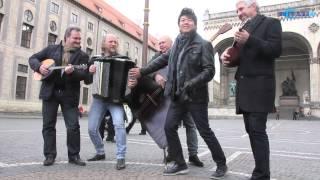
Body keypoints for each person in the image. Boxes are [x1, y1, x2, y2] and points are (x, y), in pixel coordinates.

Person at [129, 8, 227, 178]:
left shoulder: (203, 44)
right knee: (169, 127)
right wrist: (143, 71)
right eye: (183, 20)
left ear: (194, 23)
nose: (186, 22)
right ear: (179, 24)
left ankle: (221, 164)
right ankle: (180, 163)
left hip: (196, 96)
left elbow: (209, 71)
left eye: (189, 19)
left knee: (204, 131)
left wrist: (191, 83)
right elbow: (160, 61)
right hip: (177, 96)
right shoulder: (175, 47)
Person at [220, 0, 282, 179]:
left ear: (253, 6)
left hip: (260, 87)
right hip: (245, 88)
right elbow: (241, 58)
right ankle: (261, 172)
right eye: (236, 10)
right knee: (252, 131)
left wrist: (250, 39)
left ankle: (262, 175)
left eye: (241, 8)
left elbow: (276, 50)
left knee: (257, 130)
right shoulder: (242, 31)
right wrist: (227, 57)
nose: (238, 13)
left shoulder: (271, 23)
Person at [29, 26, 91, 166]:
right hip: (50, 92)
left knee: (73, 126)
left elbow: (85, 75)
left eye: (79, 39)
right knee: (48, 125)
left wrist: (72, 73)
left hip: (69, 94)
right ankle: (50, 155)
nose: (78, 41)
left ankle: (74, 156)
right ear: (66, 38)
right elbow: (32, 58)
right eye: (75, 38)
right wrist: (39, 67)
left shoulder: (83, 56)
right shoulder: (51, 49)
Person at [153, 35, 204, 167]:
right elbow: (149, 69)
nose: (161, 45)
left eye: (163, 43)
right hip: (167, 97)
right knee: (170, 126)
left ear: (171, 44)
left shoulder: (182, 52)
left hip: (184, 95)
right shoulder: (156, 56)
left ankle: (193, 154)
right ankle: (172, 153)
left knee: (190, 125)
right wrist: (156, 75)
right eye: (159, 44)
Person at [87, 34, 128, 170]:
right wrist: (90, 71)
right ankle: (100, 152)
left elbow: (131, 78)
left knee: (119, 125)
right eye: (111, 41)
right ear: (104, 43)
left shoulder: (124, 60)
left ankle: (121, 157)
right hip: (99, 98)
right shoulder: (95, 59)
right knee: (92, 129)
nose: (113, 44)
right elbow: (87, 80)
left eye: (116, 42)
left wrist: (132, 81)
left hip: (116, 100)